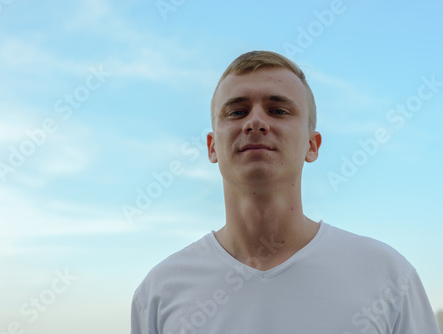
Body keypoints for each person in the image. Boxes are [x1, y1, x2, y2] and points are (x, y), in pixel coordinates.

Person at [130, 50, 439, 334]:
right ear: (212, 147)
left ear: (312, 145)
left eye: (278, 110)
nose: (255, 122)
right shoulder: (159, 292)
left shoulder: (389, 277)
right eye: (236, 112)